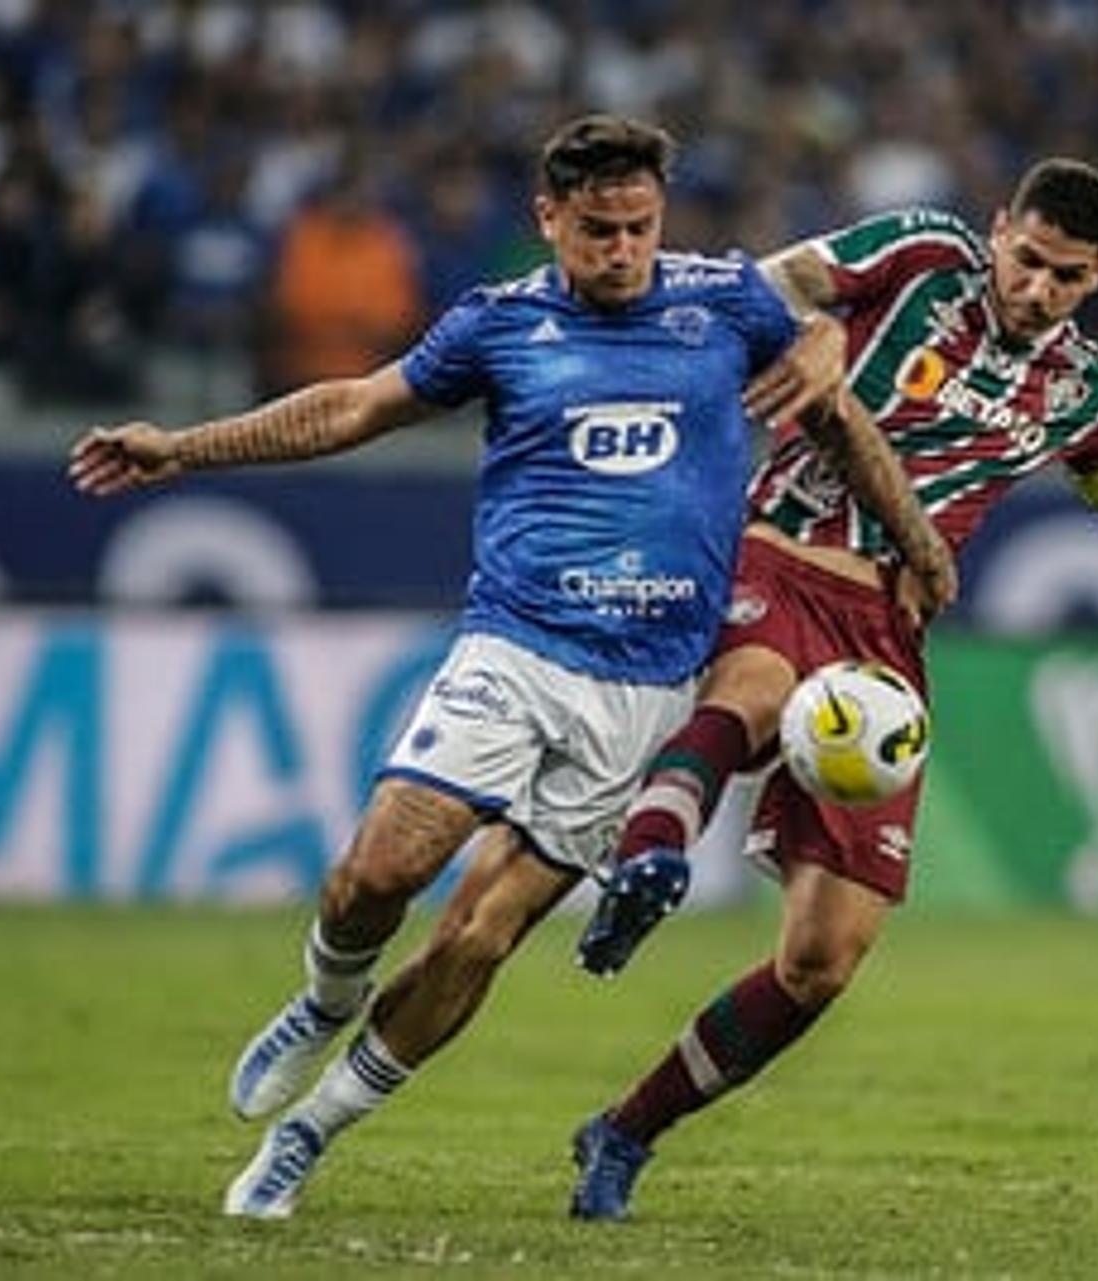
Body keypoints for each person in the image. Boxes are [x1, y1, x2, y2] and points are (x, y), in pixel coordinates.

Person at [66, 114, 954, 1219]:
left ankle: (309, 1134)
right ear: (548, 220)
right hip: (516, 647)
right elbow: (353, 406)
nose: (620, 249)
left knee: (479, 935)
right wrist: (184, 448)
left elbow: (840, 417)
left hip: (645, 688)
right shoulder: (498, 323)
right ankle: (322, 995)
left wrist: (915, 541)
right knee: (377, 873)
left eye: (638, 227)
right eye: (596, 231)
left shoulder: (725, 305)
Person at [564, 157, 1098, 1221]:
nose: (1035, 288)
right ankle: (649, 861)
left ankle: (624, 1132)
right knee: (758, 690)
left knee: (823, 961)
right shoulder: (921, 256)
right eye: (1026, 259)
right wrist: (807, 335)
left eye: (1064, 276)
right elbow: (758, 286)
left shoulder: (1083, 389)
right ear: (998, 230)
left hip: (887, 637)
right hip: (781, 554)